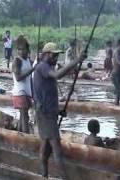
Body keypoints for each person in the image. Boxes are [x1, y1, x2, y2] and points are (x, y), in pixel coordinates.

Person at [33, 42, 86, 178]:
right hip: (45, 114)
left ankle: (43, 175)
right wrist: (76, 60)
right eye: (54, 55)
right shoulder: (43, 67)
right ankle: (64, 177)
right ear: (46, 54)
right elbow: (57, 75)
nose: (56, 57)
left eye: (57, 55)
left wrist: (58, 110)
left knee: (45, 146)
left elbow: (48, 93)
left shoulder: (46, 67)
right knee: (56, 148)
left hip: (48, 112)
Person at [12, 35, 34, 133]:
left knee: (23, 116)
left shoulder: (28, 61)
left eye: (23, 49)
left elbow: (30, 79)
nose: (21, 52)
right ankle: (26, 136)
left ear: (27, 50)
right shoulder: (17, 61)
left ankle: (20, 135)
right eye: (19, 50)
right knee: (25, 116)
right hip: (20, 92)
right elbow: (18, 78)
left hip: (27, 92)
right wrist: (31, 70)